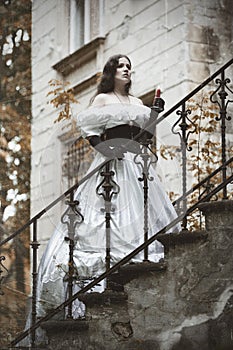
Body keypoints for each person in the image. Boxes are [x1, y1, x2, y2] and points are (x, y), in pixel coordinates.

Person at [20, 54, 181, 345]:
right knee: (106, 213)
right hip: (111, 161)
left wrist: (154, 114)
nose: (127, 69)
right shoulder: (102, 100)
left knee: (141, 216)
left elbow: (144, 135)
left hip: (136, 163)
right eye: (121, 66)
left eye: (130, 66)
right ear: (111, 72)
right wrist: (107, 150)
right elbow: (89, 132)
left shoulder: (136, 104)